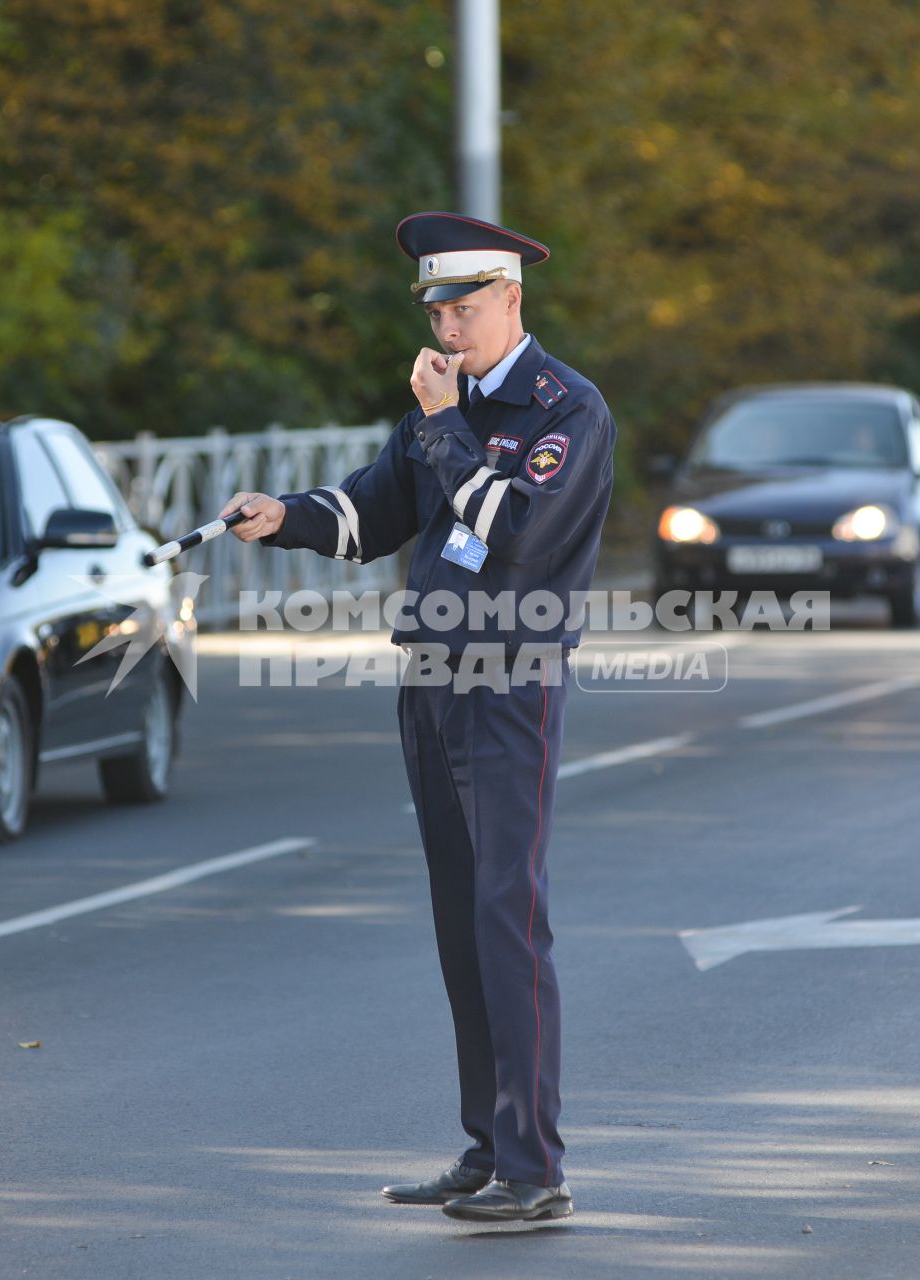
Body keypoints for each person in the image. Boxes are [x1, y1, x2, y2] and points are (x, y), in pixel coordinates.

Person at [218, 212, 615, 1223]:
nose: (447, 327)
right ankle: (486, 1146)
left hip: (508, 682)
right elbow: (374, 512)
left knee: (506, 917)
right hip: (430, 678)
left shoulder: (563, 408)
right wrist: (287, 517)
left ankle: (537, 1166)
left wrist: (444, 427)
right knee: (459, 920)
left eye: (465, 307)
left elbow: (516, 535)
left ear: (512, 298)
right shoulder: (444, 407)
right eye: (437, 309)